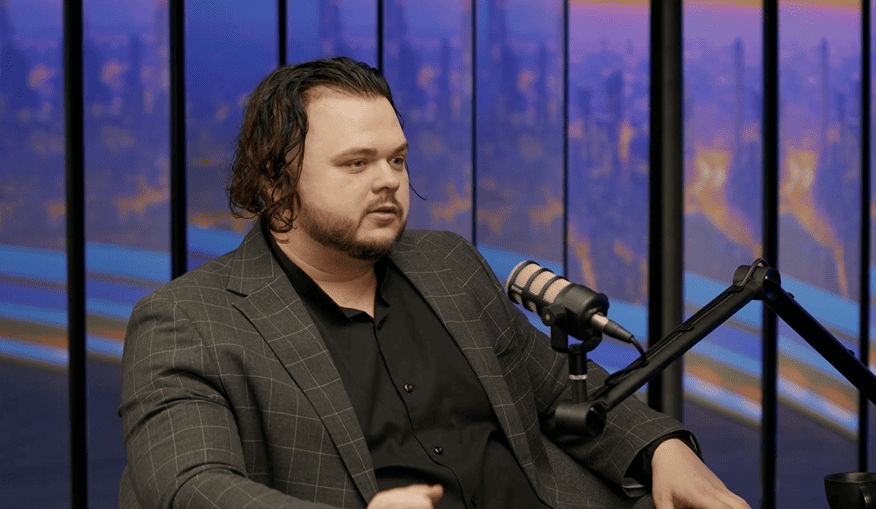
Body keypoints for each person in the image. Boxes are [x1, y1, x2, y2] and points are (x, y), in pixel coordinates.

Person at [118, 56, 750, 509]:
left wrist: (664, 452)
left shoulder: (448, 265)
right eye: (356, 163)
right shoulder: (187, 321)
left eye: (397, 159)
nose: (389, 180)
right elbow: (187, 485)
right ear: (274, 182)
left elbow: (564, 392)